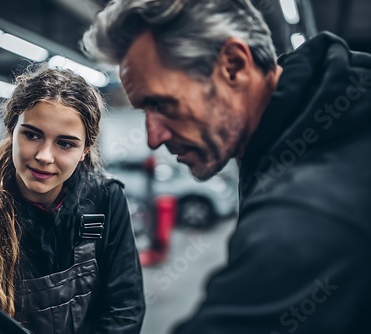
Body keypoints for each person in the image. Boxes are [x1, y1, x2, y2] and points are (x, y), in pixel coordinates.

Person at [82, 0, 371, 333]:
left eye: (162, 104)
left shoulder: (308, 212)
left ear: (233, 65)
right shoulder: (297, 123)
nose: (153, 138)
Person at [0, 67, 145, 334]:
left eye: (65, 144)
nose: (45, 156)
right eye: (32, 135)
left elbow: (125, 307)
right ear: (11, 129)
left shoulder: (105, 200)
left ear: (85, 150)